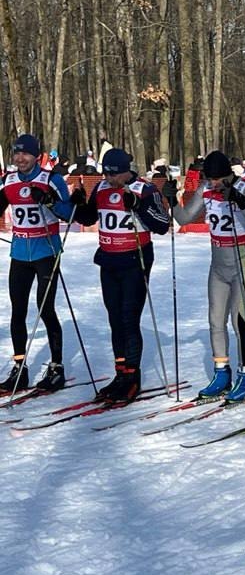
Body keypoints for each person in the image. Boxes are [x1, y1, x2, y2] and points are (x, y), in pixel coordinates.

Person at [70, 148, 170, 402]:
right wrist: (77, 203)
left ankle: (132, 377)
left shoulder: (144, 189)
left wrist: (137, 206)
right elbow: (89, 216)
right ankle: (121, 373)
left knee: (129, 317)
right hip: (109, 260)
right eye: (107, 174)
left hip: (135, 259)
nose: (110, 179)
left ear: (127, 170)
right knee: (114, 317)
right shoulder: (102, 188)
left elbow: (162, 225)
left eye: (114, 175)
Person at [173, 150, 245, 404]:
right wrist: (171, 199)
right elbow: (183, 218)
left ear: (228, 174)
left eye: (217, 179)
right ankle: (221, 372)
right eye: (210, 178)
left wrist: (239, 200)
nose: (213, 183)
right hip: (218, 262)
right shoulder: (206, 189)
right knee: (215, 319)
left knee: (240, 320)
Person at [0, 134, 73, 393]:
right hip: (20, 254)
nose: (20, 158)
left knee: (45, 309)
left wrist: (49, 201)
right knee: (17, 311)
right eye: (16, 153)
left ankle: (56, 367)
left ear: (36, 155)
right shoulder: (7, 181)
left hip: (46, 252)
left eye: (25, 154)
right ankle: (20, 369)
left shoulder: (51, 179)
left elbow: (69, 212)